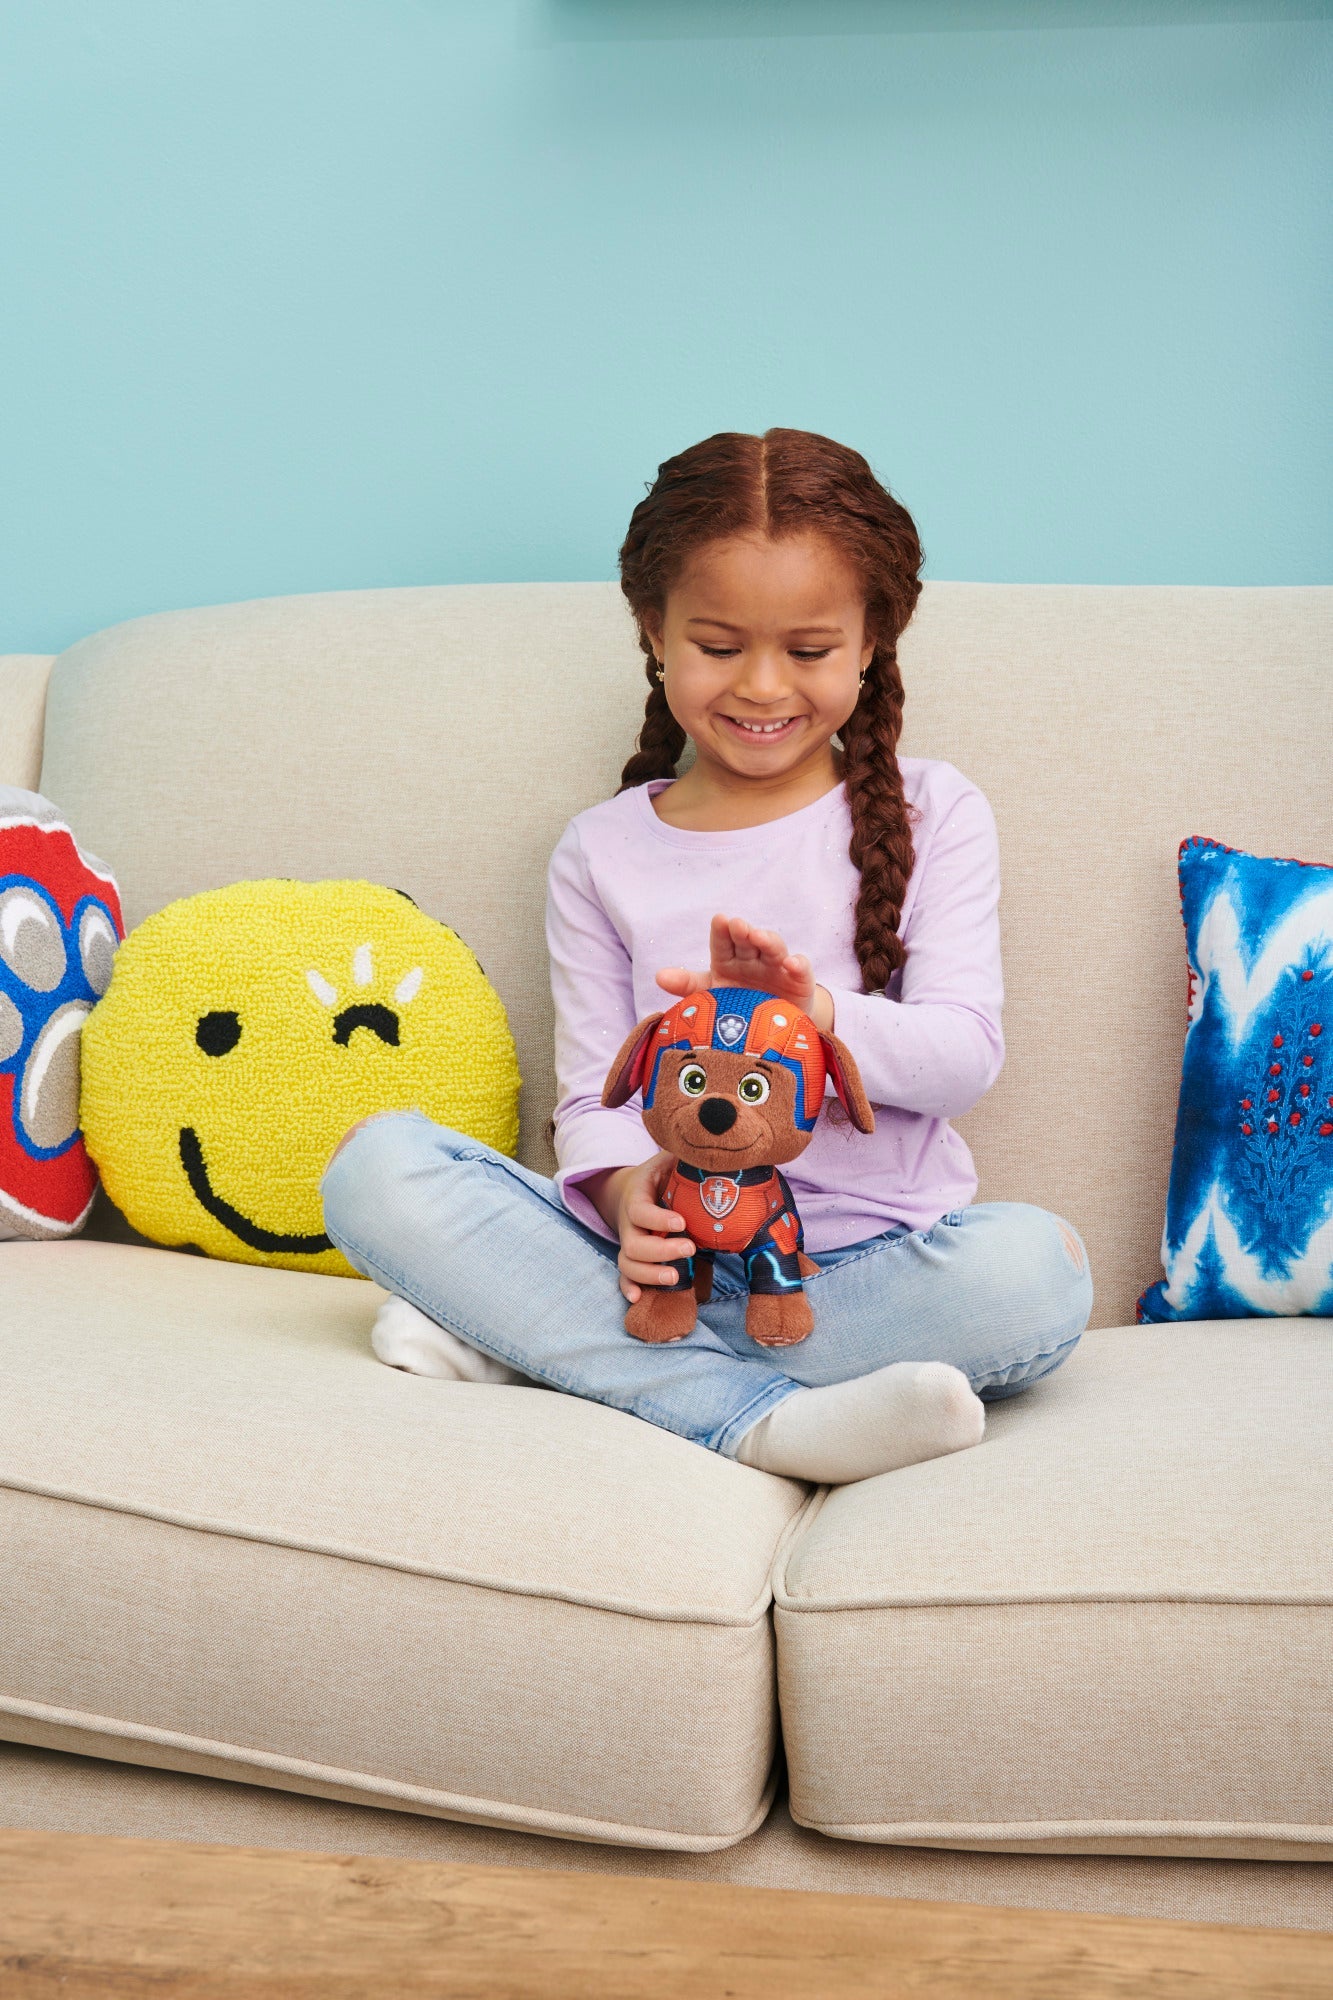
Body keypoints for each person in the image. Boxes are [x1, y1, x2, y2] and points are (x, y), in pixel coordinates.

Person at [321, 428, 1093, 1483]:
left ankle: (545, 1341)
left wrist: (818, 1011)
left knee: (1035, 1271)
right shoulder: (599, 850)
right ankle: (756, 1417)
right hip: (657, 1264)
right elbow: (592, 1097)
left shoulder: (936, 811)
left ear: (873, 640)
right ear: (654, 630)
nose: (763, 687)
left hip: (861, 1272)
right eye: (720, 647)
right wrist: (627, 1191)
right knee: (377, 1167)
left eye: (809, 652)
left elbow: (963, 1057)